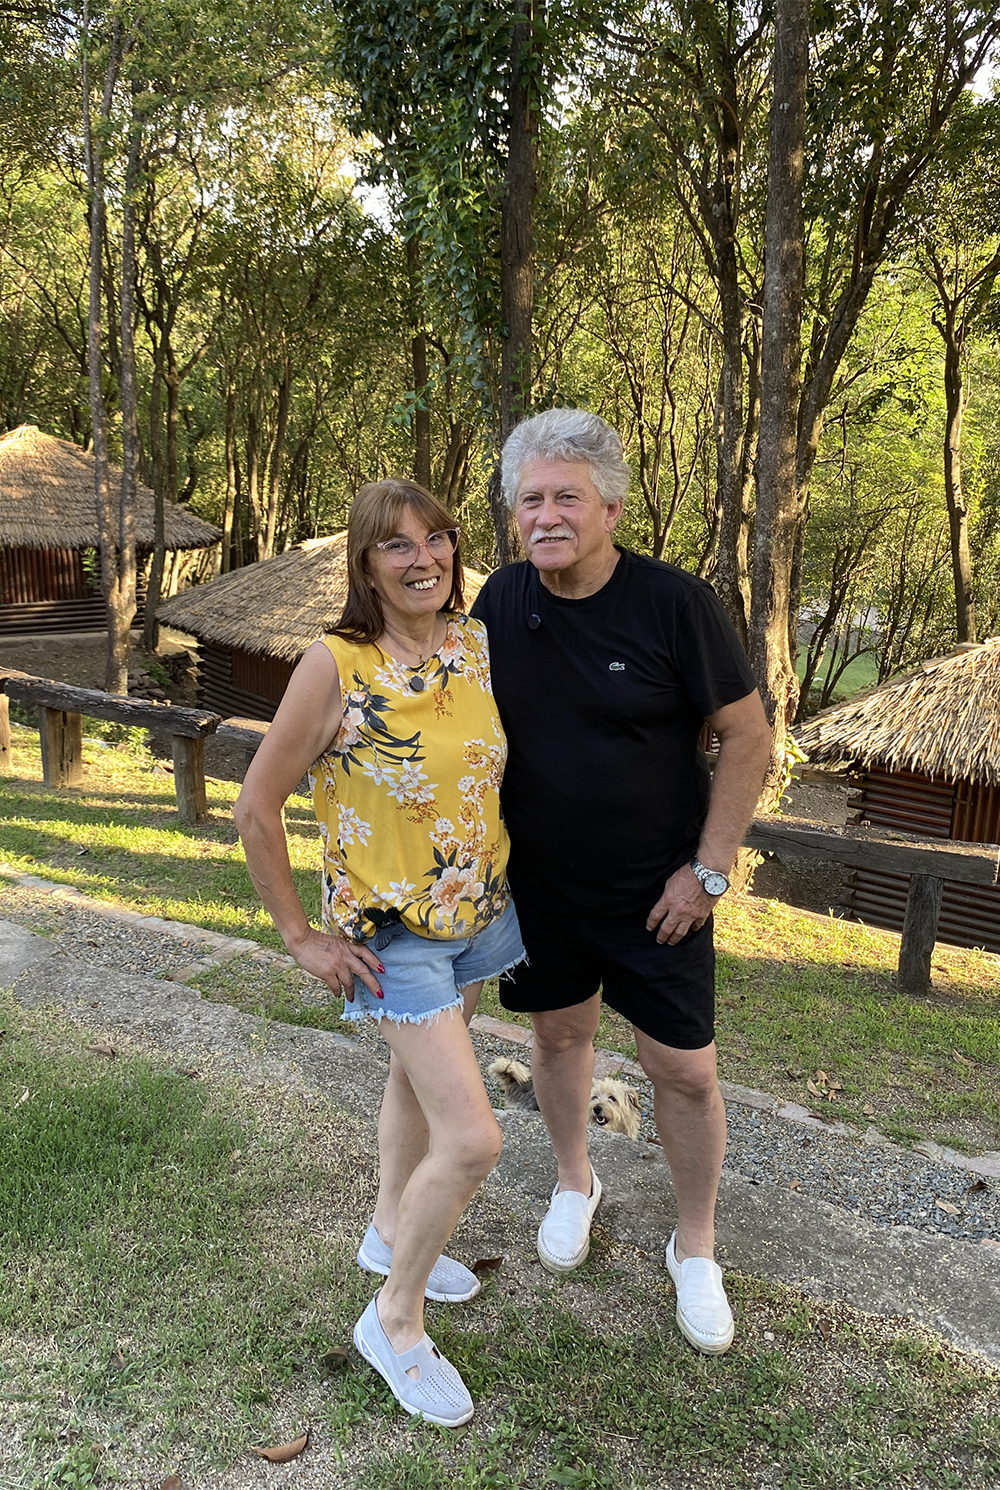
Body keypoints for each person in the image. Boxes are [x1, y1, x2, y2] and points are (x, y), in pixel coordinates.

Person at [472, 408, 771, 1355]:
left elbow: (749, 735)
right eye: (530, 500)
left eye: (566, 497)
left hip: (661, 897)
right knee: (558, 1039)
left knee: (682, 1070)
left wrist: (709, 870)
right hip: (540, 891)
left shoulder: (674, 605)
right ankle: (575, 1182)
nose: (546, 515)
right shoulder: (500, 602)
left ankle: (696, 1246)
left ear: (610, 506)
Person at [234, 479, 523, 1427]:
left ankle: (390, 1232)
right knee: (474, 1137)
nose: (422, 558)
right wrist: (298, 935)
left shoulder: (475, 643)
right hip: (388, 934)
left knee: (413, 1085)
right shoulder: (336, 663)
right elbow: (255, 806)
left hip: (475, 914)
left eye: (436, 538)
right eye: (396, 546)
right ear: (365, 565)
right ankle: (392, 1319)